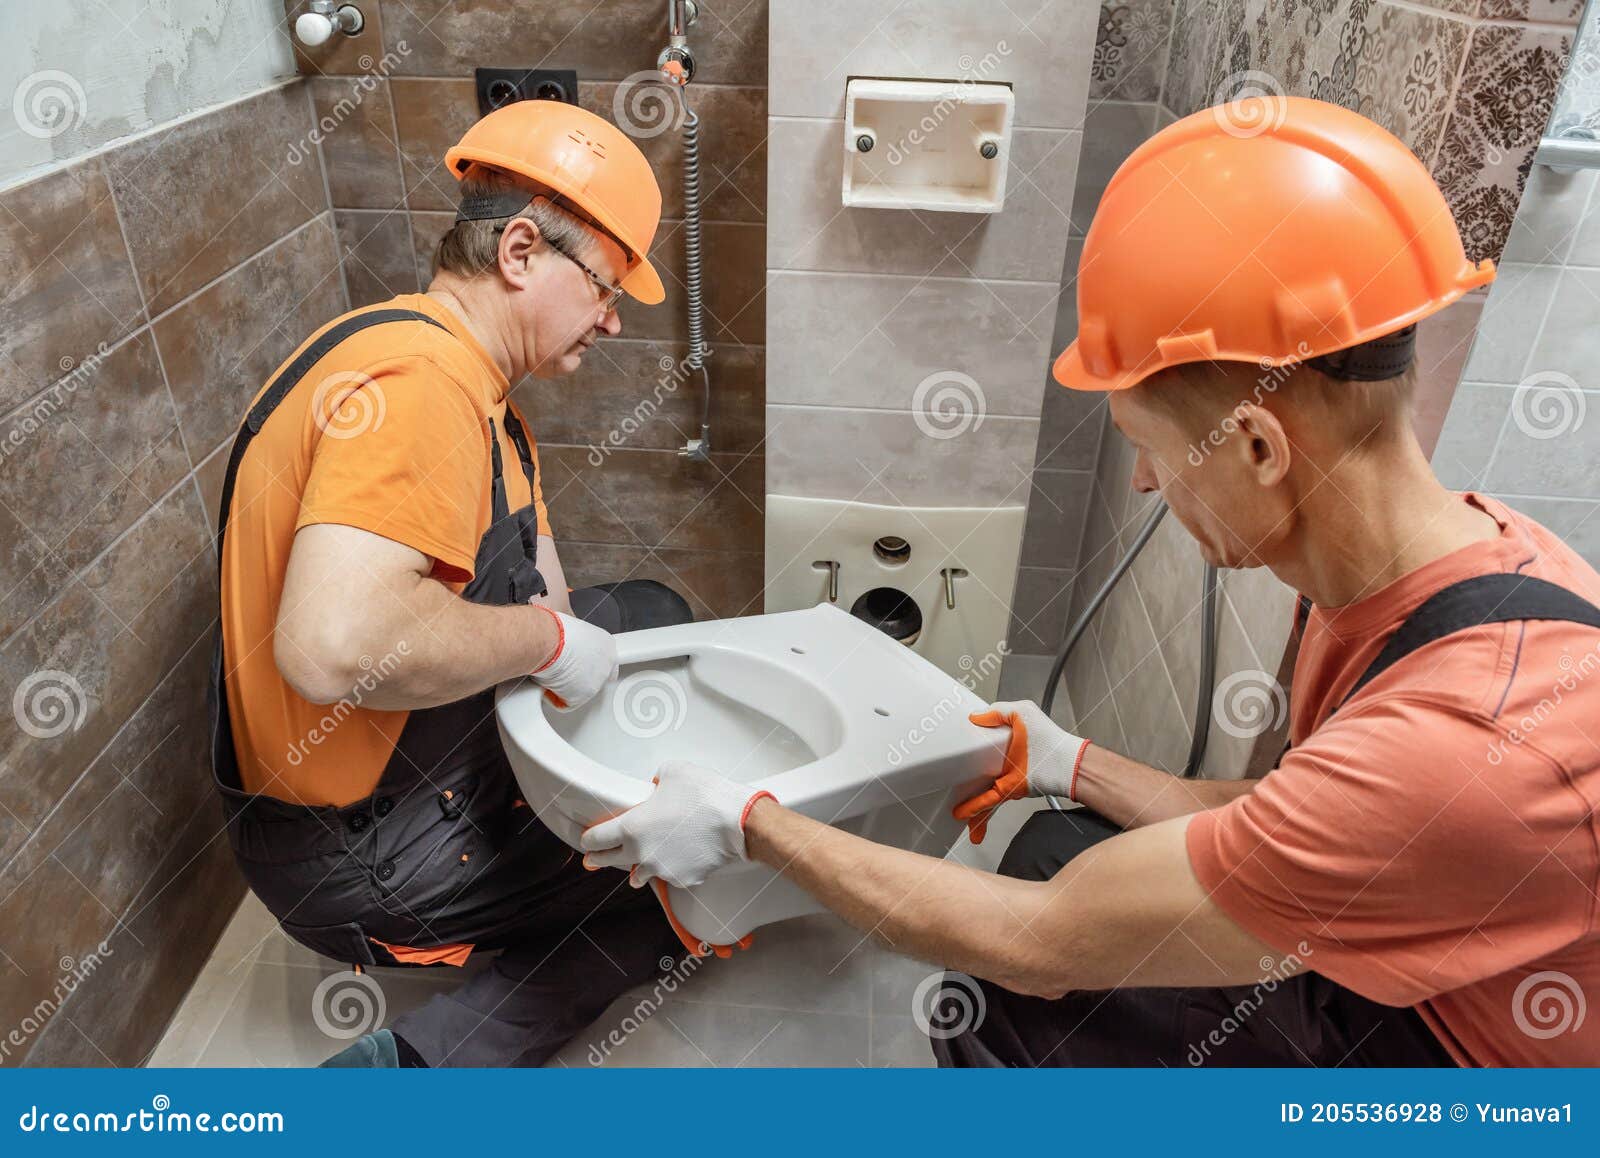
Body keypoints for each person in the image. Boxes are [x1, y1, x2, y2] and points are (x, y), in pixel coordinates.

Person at [581, 97, 1600, 1066]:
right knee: (1056, 845)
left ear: (1255, 446)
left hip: (1463, 1080)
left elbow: (1040, 940)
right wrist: (1070, 761)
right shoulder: (1459, 566)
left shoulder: (1466, 744)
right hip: (1408, 982)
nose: (1149, 481)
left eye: (1146, 448)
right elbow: (1292, 812)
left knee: (1003, 983)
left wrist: (745, 823)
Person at [209, 99, 692, 1068]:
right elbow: (331, 645)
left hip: (397, 773)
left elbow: (544, 598)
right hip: (351, 852)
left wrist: (570, 660)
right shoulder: (419, 386)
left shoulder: (473, 386)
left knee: (646, 616)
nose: (609, 319)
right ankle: (411, 1069)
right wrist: (554, 652)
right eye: (604, 288)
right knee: (668, 891)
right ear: (520, 252)